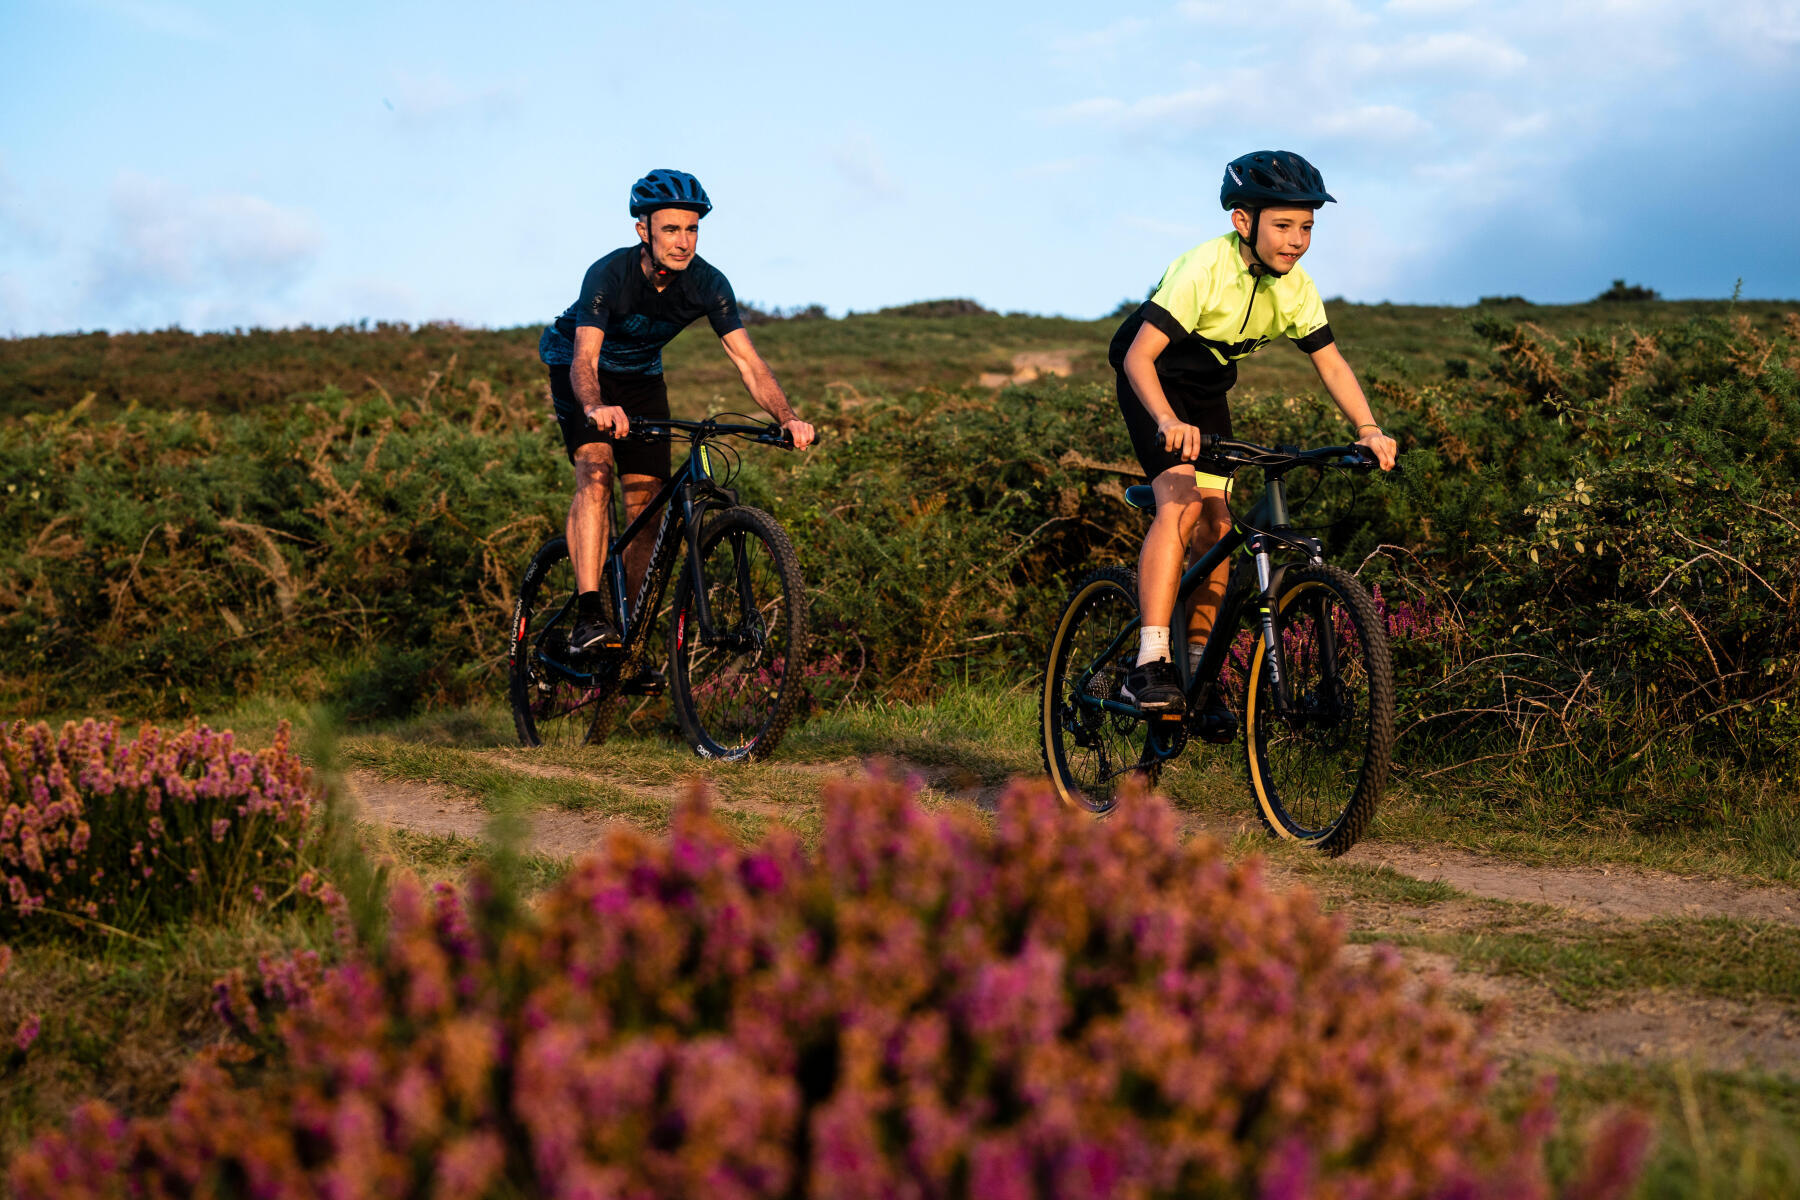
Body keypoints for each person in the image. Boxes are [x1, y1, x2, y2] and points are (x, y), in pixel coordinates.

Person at [1107, 150, 1398, 717]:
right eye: (1283, 225)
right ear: (1243, 221)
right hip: (1151, 379)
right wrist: (1167, 421)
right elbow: (1139, 358)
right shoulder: (1202, 269)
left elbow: (1331, 363)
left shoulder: (1296, 288)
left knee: (1218, 526)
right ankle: (1149, 663)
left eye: (1307, 227)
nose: (1297, 240)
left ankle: (1197, 667)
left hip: (1207, 390)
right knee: (1180, 505)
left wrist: (1368, 428)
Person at [537, 169, 815, 663]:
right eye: (671, 229)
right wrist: (596, 406)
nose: (683, 242)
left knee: (647, 509)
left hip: (642, 378)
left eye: (692, 230)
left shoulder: (708, 283)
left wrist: (788, 416)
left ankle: (628, 633)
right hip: (579, 368)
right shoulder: (609, 275)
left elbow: (748, 363)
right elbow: (584, 359)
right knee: (596, 472)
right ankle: (587, 616)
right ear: (643, 230)